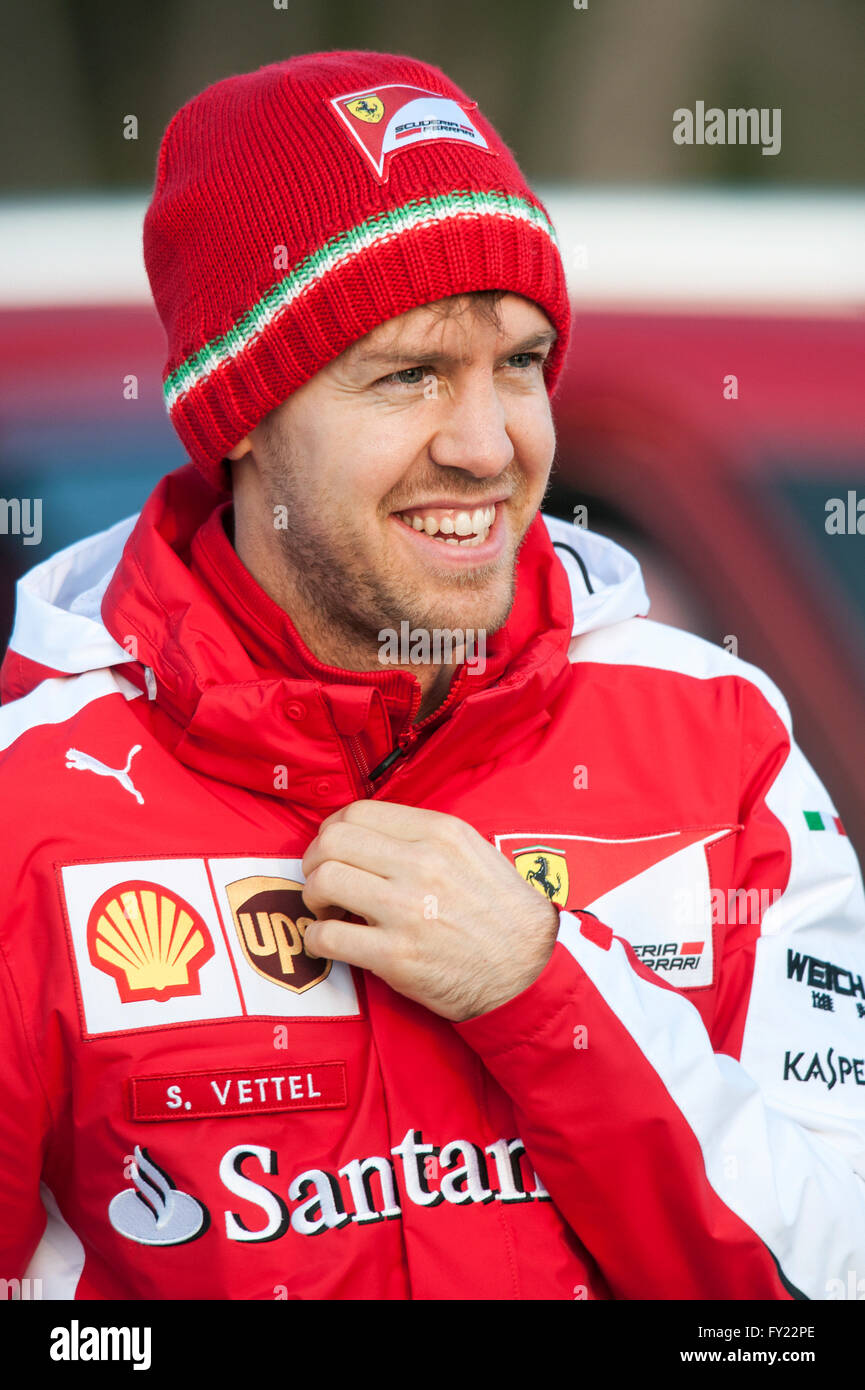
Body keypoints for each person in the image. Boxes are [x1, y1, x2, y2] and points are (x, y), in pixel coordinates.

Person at [1, 50, 864, 1303]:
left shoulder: (714, 738)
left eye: (517, 363)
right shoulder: (37, 800)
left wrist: (542, 990)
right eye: (408, 373)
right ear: (239, 415)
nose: (487, 445)